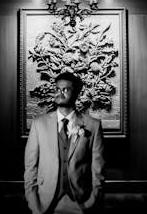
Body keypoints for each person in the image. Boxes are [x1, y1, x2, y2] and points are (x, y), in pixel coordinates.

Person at [24, 72, 105, 213]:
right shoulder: (39, 124)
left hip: (81, 203)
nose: (59, 93)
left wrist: (92, 201)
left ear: (77, 93)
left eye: (65, 89)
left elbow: (98, 169)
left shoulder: (93, 125)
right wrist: (34, 205)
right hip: (45, 204)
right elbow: (30, 168)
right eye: (57, 89)